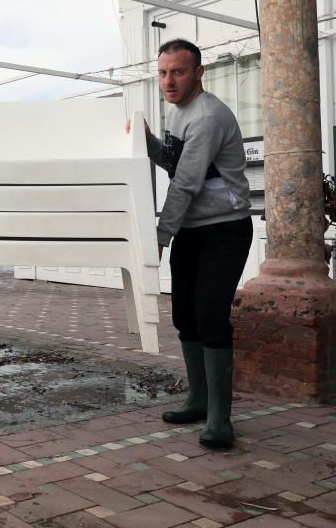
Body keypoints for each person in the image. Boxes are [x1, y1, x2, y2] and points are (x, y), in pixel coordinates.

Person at [127, 38, 252, 450]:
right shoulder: (178, 113)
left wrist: (159, 236)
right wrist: (147, 142)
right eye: (162, 73)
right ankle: (198, 400)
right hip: (194, 231)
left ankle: (221, 418)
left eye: (178, 72)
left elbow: (186, 182)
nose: (168, 81)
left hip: (225, 230)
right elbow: (173, 162)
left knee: (211, 315)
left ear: (199, 73)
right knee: (185, 314)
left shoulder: (209, 116)